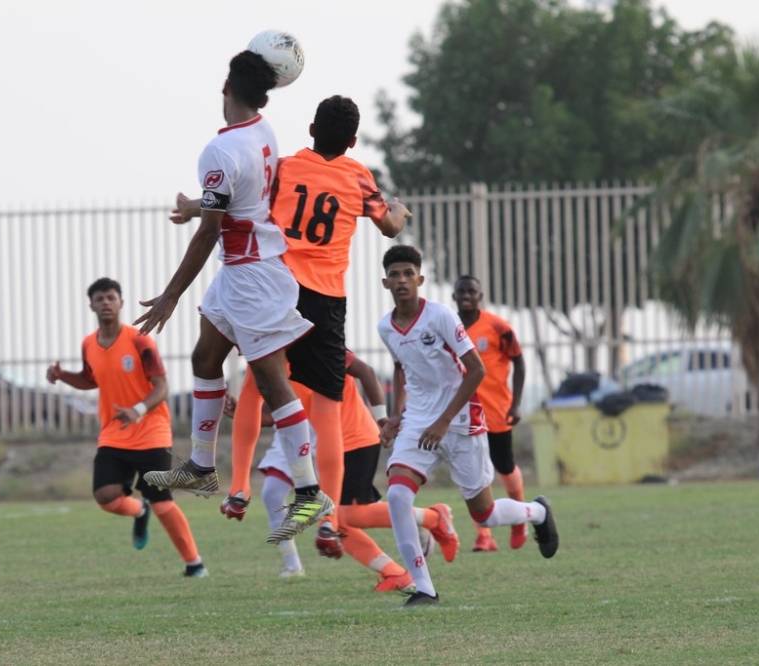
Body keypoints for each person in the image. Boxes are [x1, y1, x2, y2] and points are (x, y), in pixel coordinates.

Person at [177, 95, 409, 557]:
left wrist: (192, 207)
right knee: (327, 406)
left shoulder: (285, 168)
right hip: (326, 298)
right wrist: (399, 208)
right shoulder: (358, 176)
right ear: (353, 141)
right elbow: (389, 226)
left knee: (256, 383)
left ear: (311, 129)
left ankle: (239, 486)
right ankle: (329, 520)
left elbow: (237, 200)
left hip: (279, 284)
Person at [137, 51, 331, 544]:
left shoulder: (219, 151)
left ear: (226, 86)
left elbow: (210, 231)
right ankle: (202, 467)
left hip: (253, 278)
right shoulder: (263, 131)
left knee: (271, 381)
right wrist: (195, 204)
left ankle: (311, 493)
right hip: (239, 272)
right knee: (205, 358)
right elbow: (236, 200)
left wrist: (170, 295)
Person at [377, 246, 559, 607]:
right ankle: (424, 587)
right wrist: (395, 415)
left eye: (408, 273)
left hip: (460, 421)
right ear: (386, 282)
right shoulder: (386, 326)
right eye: (395, 274)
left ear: (420, 279)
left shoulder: (440, 316)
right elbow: (400, 367)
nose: (402, 280)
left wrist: (444, 420)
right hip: (418, 421)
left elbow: (476, 370)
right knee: (397, 496)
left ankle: (537, 512)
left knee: (485, 515)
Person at [232, 351, 458, 591]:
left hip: (357, 440)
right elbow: (277, 415)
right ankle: (394, 572)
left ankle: (433, 519)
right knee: (332, 520)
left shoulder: (317, 345)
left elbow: (366, 372)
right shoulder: (267, 364)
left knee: (340, 518)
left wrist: (382, 419)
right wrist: (240, 413)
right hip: (330, 448)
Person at [46, 277, 205, 577]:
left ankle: (194, 563)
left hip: (152, 432)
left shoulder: (139, 340)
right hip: (114, 433)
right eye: (100, 299)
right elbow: (90, 379)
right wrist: (62, 375)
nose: (106, 303)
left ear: (120, 302)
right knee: (105, 497)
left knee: (161, 502)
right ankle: (139, 510)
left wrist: (138, 409)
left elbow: (162, 387)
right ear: (91, 305)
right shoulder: (89, 344)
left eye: (111, 297)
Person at [452, 275, 528, 552]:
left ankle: (519, 518)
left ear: (480, 296)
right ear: (454, 296)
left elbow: (519, 363)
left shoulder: (498, 327)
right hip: (465, 413)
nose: (466, 296)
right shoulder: (448, 327)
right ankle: (484, 535)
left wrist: (515, 404)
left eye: (471, 291)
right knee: (474, 475)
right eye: (461, 291)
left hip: (496, 410)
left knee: (504, 466)